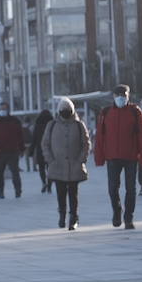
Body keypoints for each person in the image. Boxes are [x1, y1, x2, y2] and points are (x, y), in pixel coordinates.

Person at [93, 84, 142, 229]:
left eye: (124, 95)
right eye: (118, 95)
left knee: (131, 188)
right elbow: (100, 136)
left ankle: (128, 218)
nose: (121, 98)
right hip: (112, 157)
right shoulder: (106, 113)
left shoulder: (135, 112)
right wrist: (99, 156)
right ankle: (117, 211)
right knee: (113, 188)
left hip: (131, 156)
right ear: (113, 97)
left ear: (128, 96)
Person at [42, 97, 89, 230]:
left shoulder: (79, 125)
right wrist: (50, 160)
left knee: (73, 194)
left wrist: (81, 159)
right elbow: (45, 144)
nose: (65, 112)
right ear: (59, 111)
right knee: (60, 193)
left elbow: (86, 144)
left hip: (74, 165)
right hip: (58, 166)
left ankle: (73, 217)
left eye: (67, 110)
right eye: (63, 110)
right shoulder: (52, 125)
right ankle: (62, 215)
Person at [0, 99, 25, 198]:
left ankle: (18, 190)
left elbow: (20, 136)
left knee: (15, 172)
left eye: (4, 109)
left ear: (8, 110)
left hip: (13, 151)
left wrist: (22, 148)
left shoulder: (15, 121)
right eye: (0, 109)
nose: (2, 110)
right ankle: (0, 191)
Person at [27, 108, 54, 192]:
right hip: (51, 149)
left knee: (41, 168)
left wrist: (31, 151)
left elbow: (34, 139)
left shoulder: (37, 125)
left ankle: (43, 182)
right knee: (50, 168)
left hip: (40, 149)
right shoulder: (53, 125)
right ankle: (49, 184)